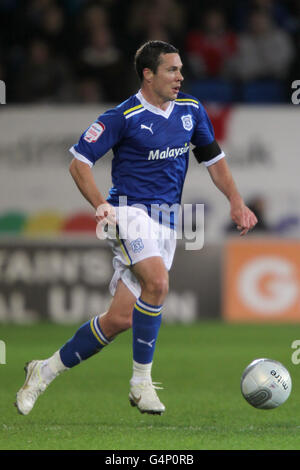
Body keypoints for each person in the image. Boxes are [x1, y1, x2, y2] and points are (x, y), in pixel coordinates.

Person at [15, 40, 257, 416]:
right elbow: (79, 163)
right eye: (171, 70)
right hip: (129, 214)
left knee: (120, 319)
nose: (180, 77)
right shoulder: (121, 117)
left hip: (167, 223)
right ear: (148, 74)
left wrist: (237, 202)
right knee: (158, 284)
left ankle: (42, 371)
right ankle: (141, 382)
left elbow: (214, 160)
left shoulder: (191, 110)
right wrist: (102, 207)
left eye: (180, 69)